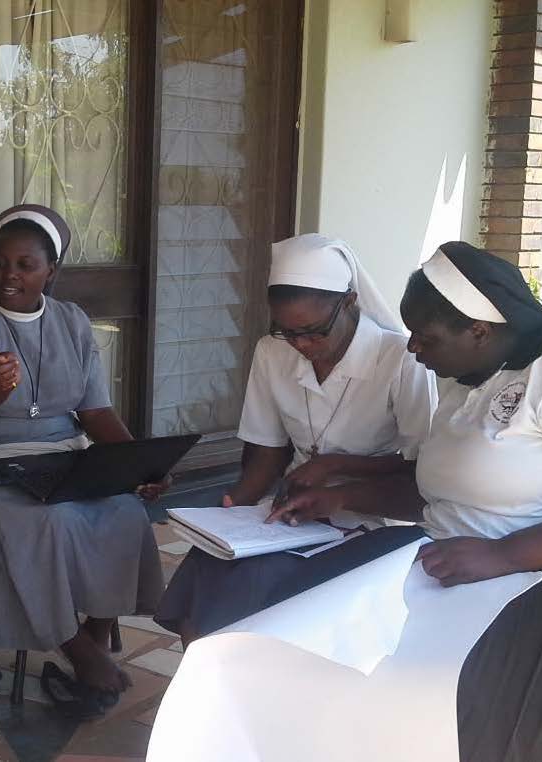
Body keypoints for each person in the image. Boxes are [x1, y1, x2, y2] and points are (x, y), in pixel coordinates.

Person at [201, 241, 542, 760]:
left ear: (479, 329)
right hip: (455, 559)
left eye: (425, 338)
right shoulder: (467, 380)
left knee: (454, 697)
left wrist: (502, 555)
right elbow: (440, 490)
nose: (412, 351)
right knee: (297, 642)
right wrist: (339, 499)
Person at [0, 204, 166, 716]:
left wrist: (136, 465)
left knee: (123, 511)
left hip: (66, 450)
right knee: (48, 521)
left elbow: (96, 410)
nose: (9, 275)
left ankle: (96, 639)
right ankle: (78, 650)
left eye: (25, 265)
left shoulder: (72, 320)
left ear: (50, 271)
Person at [154, 234, 436, 643]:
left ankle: (256, 689)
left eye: (314, 331)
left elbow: (421, 466)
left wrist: (336, 466)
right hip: (292, 511)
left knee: (262, 585)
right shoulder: (273, 352)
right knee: (210, 564)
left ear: (350, 301)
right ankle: (206, 688)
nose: (301, 344)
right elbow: (267, 452)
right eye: (288, 332)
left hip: (373, 514)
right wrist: (235, 507)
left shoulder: (400, 359)